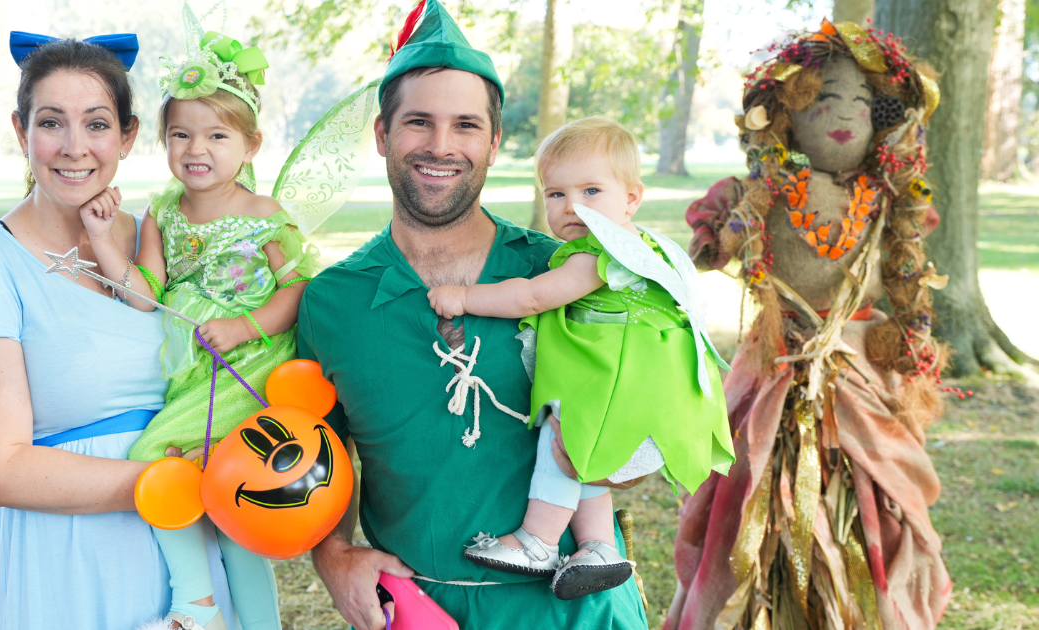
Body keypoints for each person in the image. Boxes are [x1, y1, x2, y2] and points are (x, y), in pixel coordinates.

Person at [297, 2, 648, 628]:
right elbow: (315, 457)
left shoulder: (563, 272)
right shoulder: (331, 301)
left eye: (464, 125)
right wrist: (333, 556)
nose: (440, 146)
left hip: (578, 610)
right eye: (418, 123)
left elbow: (648, 407)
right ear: (382, 135)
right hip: (419, 608)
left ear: (493, 140)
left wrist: (621, 451)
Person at [667, 19, 950, 630]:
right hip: (774, 366)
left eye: (857, 99)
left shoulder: (888, 200)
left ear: (883, 114)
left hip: (860, 380)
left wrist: (913, 337)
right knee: (749, 492)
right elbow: (711, 253)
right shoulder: (765, 191)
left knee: (872, 505)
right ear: (787, 109)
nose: (842, 112)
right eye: (823, 97)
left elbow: (908, 282)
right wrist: (729, 227)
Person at [0, 34, 185, 629]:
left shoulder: (162, 241)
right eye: (50, 122)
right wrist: (174, 484)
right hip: (74, 556)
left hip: (195, 541)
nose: (74, 148)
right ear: (21, 133)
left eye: (96, 124)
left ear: (127, 135)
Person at [427, 117, 734, 600]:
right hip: (645, 382)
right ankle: (598, 547)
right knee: (587, 451)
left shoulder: (602, 253)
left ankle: (538, 540)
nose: (572, 207)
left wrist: (463, 298)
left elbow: (532, 297)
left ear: (631, 198)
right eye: (555, 194)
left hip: (632, 384)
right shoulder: (649, 246)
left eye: (592, 191)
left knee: (563, 431)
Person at [80, 22, 308, 630]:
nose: (195, 148)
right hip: (192, 373)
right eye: (179, 134)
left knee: (180, 467)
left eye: (215, 134)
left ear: (250, 145)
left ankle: (210, 609)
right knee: (196, 477)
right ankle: (205, 604)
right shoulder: (161, 213)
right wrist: (105, 241)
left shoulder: (266, 216)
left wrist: (245, 326)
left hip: (251, 369)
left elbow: (298, 293)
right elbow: (144, 297)